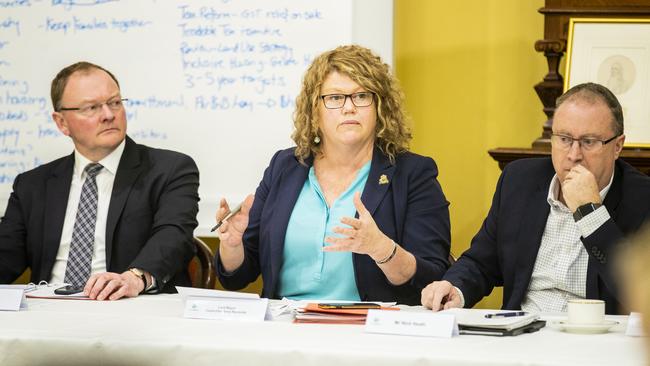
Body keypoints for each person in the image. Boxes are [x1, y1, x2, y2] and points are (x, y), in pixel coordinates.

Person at [215, 45, 450, 305]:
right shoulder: (285, 166)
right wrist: (233, 245)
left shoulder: (412, 174)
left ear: (380, 107)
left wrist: (382, 249)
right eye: (335, 98)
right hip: (286, 326)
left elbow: (433, 278)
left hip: (371, 329)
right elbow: (237, 276)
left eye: (361, 96)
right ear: (314, 110)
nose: (349, 108)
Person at [421, 82, 650, 314]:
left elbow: (639, 293)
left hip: (596, 339)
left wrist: (591, 213)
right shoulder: (519, 181)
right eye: (564, 139)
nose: (573, 155)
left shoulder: (642, 198)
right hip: (522, 333)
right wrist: (455, 289)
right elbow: (481, 261)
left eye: (589, 142)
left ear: (617, 146)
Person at [0, 62, 200, 300]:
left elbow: (173, 237)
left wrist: (134, 278)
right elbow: (6, 256)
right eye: (91, 107)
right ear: (61, 122)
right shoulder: (32, 185)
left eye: (115, 102)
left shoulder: (169, 170)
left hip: (128, 309)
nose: (108, 115)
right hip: (45, 311)